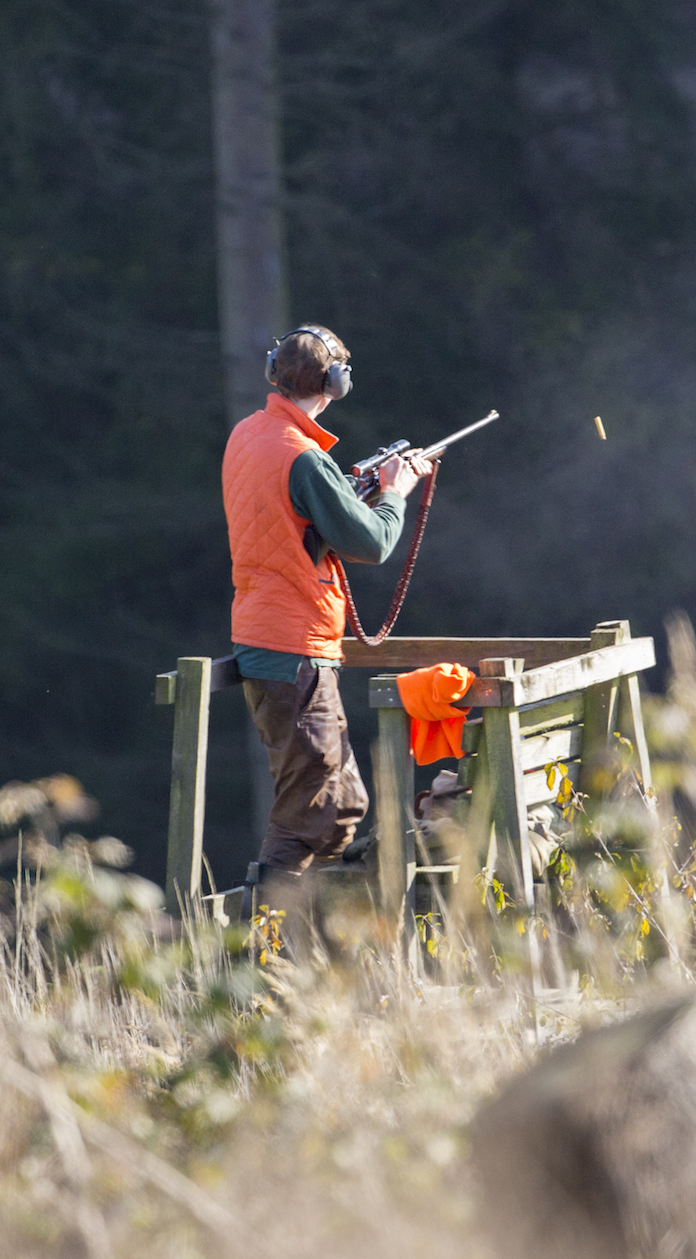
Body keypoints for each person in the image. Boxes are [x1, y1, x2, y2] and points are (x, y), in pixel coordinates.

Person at [221, 324, 432, 954]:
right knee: (310, 808)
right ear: (335, 384)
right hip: (295, 649)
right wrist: (393, 493)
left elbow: (288, 522)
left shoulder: (249, 435)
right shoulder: (303, 456)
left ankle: (311, 943)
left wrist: (351, 489)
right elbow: (371, 543)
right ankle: (262, 956)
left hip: (272, 641)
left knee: (342, 802)